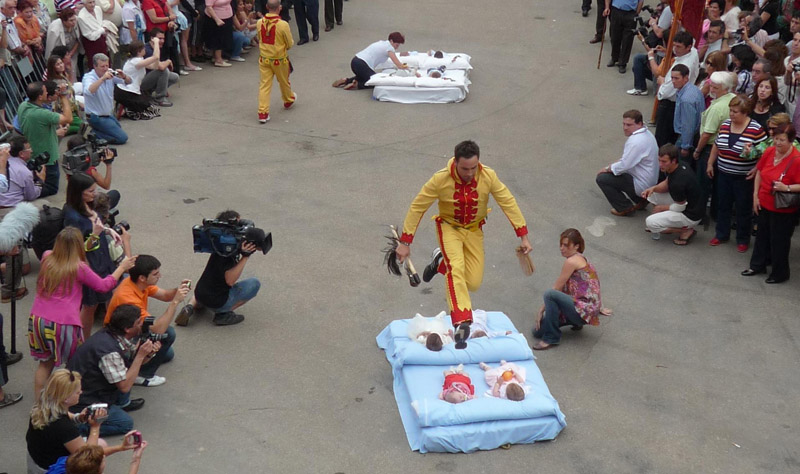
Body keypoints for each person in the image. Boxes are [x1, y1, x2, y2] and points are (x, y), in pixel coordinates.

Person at [394, 140, 532, 350]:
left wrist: (523, 235)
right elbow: (417, 207)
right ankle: (461, 321)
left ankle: (440, 262)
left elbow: (507, 201)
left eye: (473, 168)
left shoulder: (488, 176)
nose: (469, 173)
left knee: (474, 282)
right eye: (465, 168)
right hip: (449, 228)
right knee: (456, 269)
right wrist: (405, 242)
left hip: (475, 230)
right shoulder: (440, 179)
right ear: (455, 162)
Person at [28, 227, 135, 397]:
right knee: (75, 363)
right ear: (78, 245)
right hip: (64, 323)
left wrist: (95, 235)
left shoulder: (47, 257)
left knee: (45, 364)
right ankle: (71, 401)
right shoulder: (79, 268)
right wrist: (121, 268)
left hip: (38, 320)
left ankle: (39, 404)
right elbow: (104, 286)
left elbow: (67, 253)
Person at [67, 305, 160, 436]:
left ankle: (119, 404)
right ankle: (78, 427)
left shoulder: (111, 335)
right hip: (83, 399)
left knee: (127, 371)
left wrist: (148, 354)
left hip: (95, 385)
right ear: (127, 329)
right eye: (138, 322)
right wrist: (140, 355)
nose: (142, 324)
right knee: (125, 423)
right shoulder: (108, 352)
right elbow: (125, 386)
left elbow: (131, 363)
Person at [26, 369, 137, 474]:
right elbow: (88, 456)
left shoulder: (42, 407)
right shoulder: (65, 428)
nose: (81, 392)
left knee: (101, 444)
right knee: (98, 453)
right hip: (52, 468)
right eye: (77, 392)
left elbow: (65, 414)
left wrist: (78, 418)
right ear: (66, 398)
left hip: (36, 459)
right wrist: (95, 427)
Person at [104, 255, 188, 386]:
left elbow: (165, 295)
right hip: (121, 337)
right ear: (142, 278)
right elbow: (158, 329)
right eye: (155, 274)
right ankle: (142, 374)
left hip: (131, 328)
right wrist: (176, 301)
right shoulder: (128, 298)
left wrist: (179, 290)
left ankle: (143, 360)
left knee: (167, 353)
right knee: (168, 333)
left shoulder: (138, 283)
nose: (159, 276)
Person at [63, 173, 131, 335]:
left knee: (111, 295)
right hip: (90, 261)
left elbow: (98, 222)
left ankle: (113, 333)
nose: (94, 194)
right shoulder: (73, 216)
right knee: (90, 306)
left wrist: (107, 231)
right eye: (90, 191)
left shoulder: (88, 205)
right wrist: (95, 234)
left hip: (102, 255)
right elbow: (77, 248)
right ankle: (84, 341)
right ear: (79, 192)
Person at [175, 209, 261, 326]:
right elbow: (230, 281)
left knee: (208, 285)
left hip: (200, 292)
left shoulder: (218, 245)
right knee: (254, 284)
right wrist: (245, 257)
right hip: (217, 300)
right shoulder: (228, 251)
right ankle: (223, 314)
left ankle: (190, 307)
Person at [706, 94, 767, 252]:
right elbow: (717, 145)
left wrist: (756, 168)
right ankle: (721, 234)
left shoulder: (755, 129)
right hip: (724, 173)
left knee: (743, 208)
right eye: (731, 110)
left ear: (745, 112)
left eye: (735, 112)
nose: (731, 114)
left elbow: (765, 153)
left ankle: (742, 238)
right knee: (723, 205)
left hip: (743, 177)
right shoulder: (726, 124)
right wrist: (710, 163)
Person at [742, 123, 800, 283]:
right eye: (776, 139)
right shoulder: (769, 151)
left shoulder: (796, 159)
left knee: (779, 241)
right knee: (761, 236)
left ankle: (780, 273)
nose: (778, 143)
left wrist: (786, 187)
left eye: (782, 139)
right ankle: (757, 265)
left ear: (791, 140)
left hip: (782, 208)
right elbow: (759, 172)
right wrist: (755, 196)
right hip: (764, 202)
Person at [532, 229, 602, 351]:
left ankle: (551, 337)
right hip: (586, 308)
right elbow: (592, 286)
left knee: (550, 294)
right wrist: (598, 307)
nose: (562, 248)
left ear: (576, 246)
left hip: (582, 309)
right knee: (537, 332)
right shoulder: (581, 258)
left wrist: (540, 310)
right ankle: (575, 323)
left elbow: (556, 288)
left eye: (566, 245)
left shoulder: (571, 261)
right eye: (561, 244)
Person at [596, 109, 660, 216]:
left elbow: (624, 165)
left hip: (641, 183)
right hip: (648, 180)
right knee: (616, 172)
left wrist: (607, 169)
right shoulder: (647, 134)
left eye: (629, 125)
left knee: (602, 178)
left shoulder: (636, 141)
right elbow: (627, 160)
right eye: (624, 124)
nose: (625, 128)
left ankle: (624, 208)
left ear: (639, 124)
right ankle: (641, 201)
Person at [694, 71, 738, 221]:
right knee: (718, 185)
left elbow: (707, 134)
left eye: (715, 87)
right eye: (711, 86)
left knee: (703, 183)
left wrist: (697, 150)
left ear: (725, 88)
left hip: (710, 148)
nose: (711, 90)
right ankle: (715, 213)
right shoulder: (733, 100)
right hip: (725, 149)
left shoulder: (716, 108)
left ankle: (698, 214)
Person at [17, 81, 73, 198]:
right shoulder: (42, 114)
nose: (48, 92)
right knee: (51, 188)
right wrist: (63, 96)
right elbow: (68, 118)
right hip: (47, 158)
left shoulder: (23, 106)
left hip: (33, 153)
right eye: (45, 91)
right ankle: (24, 194)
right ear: (40, 96)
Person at [642, 144, 704, 244]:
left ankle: (686, 230)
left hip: (690, 215)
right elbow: (667, 182)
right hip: (691, 204)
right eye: (659, 160)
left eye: (664, 161)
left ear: (673, 160)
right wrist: (652, 188)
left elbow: (680, 207)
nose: (660, 164)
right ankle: (665, 221)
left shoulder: (678, 183)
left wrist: (661, 208)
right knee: (652, 193)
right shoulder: (680, 165)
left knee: (650, 223)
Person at [255, 0, 295, 124]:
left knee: (264, 85)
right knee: (284, 81)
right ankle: (288, 99)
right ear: (280, 8)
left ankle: (263, 112)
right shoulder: (283, 24)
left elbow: (259, 38)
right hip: (279, 59)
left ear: (267, 7)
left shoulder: (259, 22)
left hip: (264, 58)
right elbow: (289, 43)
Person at [82, 53, 132, 144]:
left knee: (117, 129)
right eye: (102, 66)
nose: (105, 69)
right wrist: (102, 79)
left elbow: (129, 82)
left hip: (108, 114)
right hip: (96, 117)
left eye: (107, 65)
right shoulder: (88, 77)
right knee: (122, 138)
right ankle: (94, 135)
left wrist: (124, 76)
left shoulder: (110, 73)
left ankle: (99, 132)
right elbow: (88, 91)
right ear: (95, 66)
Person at [332, 32, 407, 91]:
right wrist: (407, 67)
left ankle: (346, 80)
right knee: (376, 81)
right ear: (391, 41)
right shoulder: (390, 48)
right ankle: (358, 85)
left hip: (355, 61)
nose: (397, 47)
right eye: (397, 45)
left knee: (364, 75)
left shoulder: (382, 43)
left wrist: (401, 54)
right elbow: (398, 64)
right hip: (362, 64)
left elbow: (392, 56)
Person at [115, 39, 167, 118]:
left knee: (148, 104)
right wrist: (156, 43)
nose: (145, 49)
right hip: (127, 92)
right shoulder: (136, 61)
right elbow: (155, 56)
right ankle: (126, 109)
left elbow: (154, 66)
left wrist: (156, 58)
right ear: (139, 52)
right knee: (151, 111)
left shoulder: (136, 60)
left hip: (124, 90)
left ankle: (125, 106)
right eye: (143, 49)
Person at [0, 134, 47, 207]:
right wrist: (41, 181)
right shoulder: (24, 171)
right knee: (45, 204)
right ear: (21, 153)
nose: (31, 150)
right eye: (29, 148)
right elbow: (31, 196)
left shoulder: (2, 162)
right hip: (12, 208)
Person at [672, 64, 705, 164]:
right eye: (672, 78)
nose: (673, 81)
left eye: (676, 78)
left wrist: (685, 146)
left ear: (686, 78)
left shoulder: (686, 99)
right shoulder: (694, 89)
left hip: (685, 138)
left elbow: (688, 124)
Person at [46, 55, 84, 134]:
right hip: (64, 109)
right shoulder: (56, 82)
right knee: (82, 126)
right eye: (58, 64)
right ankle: (61, 131)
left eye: (61, 63)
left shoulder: (63, 76)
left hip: (72, 106)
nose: (61, 65)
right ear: (53, 68)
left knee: (82, 125)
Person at [142, 28, 179, 107]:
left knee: (174, 77)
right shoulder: (147, 49)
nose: (162, 41)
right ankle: (160, 99)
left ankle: (153, 92)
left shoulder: (156, 47)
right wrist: (168, 61)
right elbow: (161, 67)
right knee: (164, 71)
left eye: (163, 39)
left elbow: (158, 64)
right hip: (141, 81)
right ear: (152, 39)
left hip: (150, 76)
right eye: (159, 39)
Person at [603, 0, 642, 74]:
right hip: (616, 11)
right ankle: (614, 57)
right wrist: (607, 7)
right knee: (614, 37)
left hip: (630, 13)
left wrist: (636, 13)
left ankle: (623, 63)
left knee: (627, 39)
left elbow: (641, 1)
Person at [65, 441, 148, 474]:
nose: (104, 455)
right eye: (102, 459)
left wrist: (121, 447)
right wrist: (136, 459)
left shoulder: (68, 464)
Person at [45, 8, 81, 82]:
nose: (74, 22)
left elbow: (78, 40)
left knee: (72, 71)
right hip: (60, 55)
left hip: (72, 52)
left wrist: (70, 54)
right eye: (71, 21)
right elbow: (51, 48)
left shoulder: (76, 21)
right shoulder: (55, 29)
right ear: (64, 21)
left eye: (74, 20)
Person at [204, 0, 234, 67]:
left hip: (227, 15)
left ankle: (215, 57)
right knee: (217, 37)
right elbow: (209, 7)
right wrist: (217, 19)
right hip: (215, 18)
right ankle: (218, 60)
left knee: (224, 37)